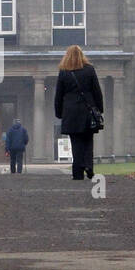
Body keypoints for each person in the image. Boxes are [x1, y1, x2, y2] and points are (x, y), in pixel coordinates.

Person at [54, 44, 104, 180]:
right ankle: (88, 165)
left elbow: (59, 95)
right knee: (88, 140)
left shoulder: (64, 72)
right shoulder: (89, 70)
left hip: (70, 112)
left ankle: (77, 172)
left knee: (75, 143)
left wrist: (59, 112)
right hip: (87, 111)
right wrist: (99, 109)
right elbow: (97, 92)